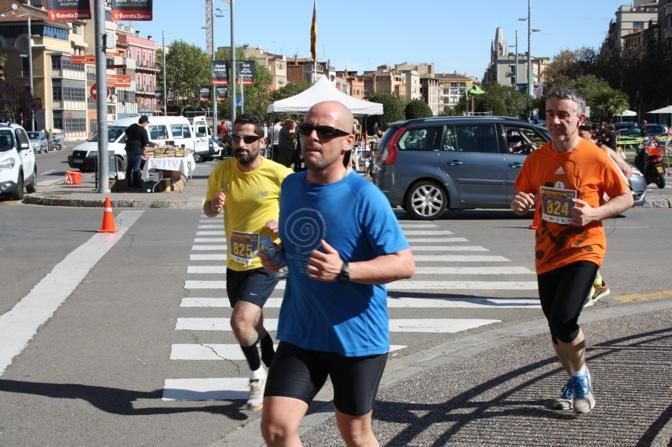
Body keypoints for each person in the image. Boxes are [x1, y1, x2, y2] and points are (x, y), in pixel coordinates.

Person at [259, 101, 415, 446]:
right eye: (306, 129)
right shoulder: (292, 187)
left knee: (355, 434)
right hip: (302, 332)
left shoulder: (365, 196)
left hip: (356, 340)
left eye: (326, 131)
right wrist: (279, 255)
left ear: (349, 141)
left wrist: (344, 270)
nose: (313, 137)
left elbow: (404, 263)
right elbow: (301, 241)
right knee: (276, 428)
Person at [511, 87, 633, 415]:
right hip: (547, 251)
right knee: (555, 325)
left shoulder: (595, 155)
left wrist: (594, 213)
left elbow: (626, 197)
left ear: (580, 119)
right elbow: (522, 195)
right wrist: (520, 203)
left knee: (565, 319)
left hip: (585, 248)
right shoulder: (537, 159)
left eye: (563, 114)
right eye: (550, 113)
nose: (555, 120)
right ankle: (575, 378)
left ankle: (580, 377)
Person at [203, 114, 293, 410]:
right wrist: (213, 206)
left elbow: (302, 210)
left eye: (249, 139)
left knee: (240, 322)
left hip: (266, 259)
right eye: (237, 138)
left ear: (262, 142)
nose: (241, 144)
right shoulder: (223, 171)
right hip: (236, 261)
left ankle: (258, 378)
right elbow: (208, 210)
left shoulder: (280, 174)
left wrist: (284, 222)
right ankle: (279, 374)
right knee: (253, 325)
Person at [124, 115, 152, 189]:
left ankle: (128, 183)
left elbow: (126, 133)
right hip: (137, 150)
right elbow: (146, 142)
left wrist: (130, 139)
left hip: (129, 149)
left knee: (129, 167)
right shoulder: (143, 130)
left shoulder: (132, 126)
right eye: (147, 123)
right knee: (136, 167)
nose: (146, 125)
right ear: (144, 122)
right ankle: (136, 184)